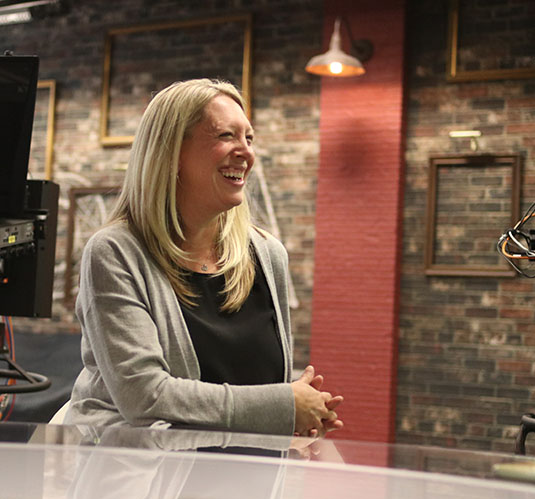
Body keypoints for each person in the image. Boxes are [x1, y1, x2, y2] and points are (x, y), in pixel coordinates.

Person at [65, 78, 342, 436]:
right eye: (226, 135)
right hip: (136, 467)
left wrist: (299, 411)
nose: (246, 153)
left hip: (239, 467)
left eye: (249, 138)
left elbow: (262, 386)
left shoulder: (267, 254)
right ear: (171, 153)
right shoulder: (114, 253)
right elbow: (144, 397)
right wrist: (283, 405)